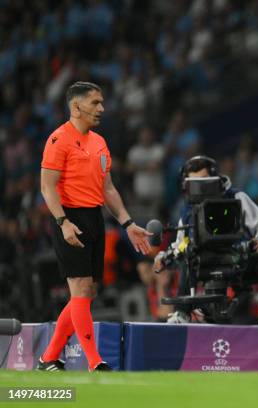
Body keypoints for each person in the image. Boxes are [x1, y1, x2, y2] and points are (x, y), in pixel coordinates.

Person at [37, 81, 152, 372]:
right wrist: (62, 223)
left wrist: (127, 222)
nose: (101, 108)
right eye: (95, 103)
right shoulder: (58, 140)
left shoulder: (99, 142)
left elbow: (108, 189)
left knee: (87, 293)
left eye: (102, 102)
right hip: (69, 218)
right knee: (81, 288)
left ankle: (49, 357)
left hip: (94, 218)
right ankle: (94, 361)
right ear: (76, 107)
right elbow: (47, 188)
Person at [155, 155, 258, 326]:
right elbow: (181, 243)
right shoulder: (187, 210)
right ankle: (181, 313)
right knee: (187, 255)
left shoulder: (236, 197)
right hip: (203, 262)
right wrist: (166, 256)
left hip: (238, 259)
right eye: (193, 182)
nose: (199, 187)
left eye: (204, 181)